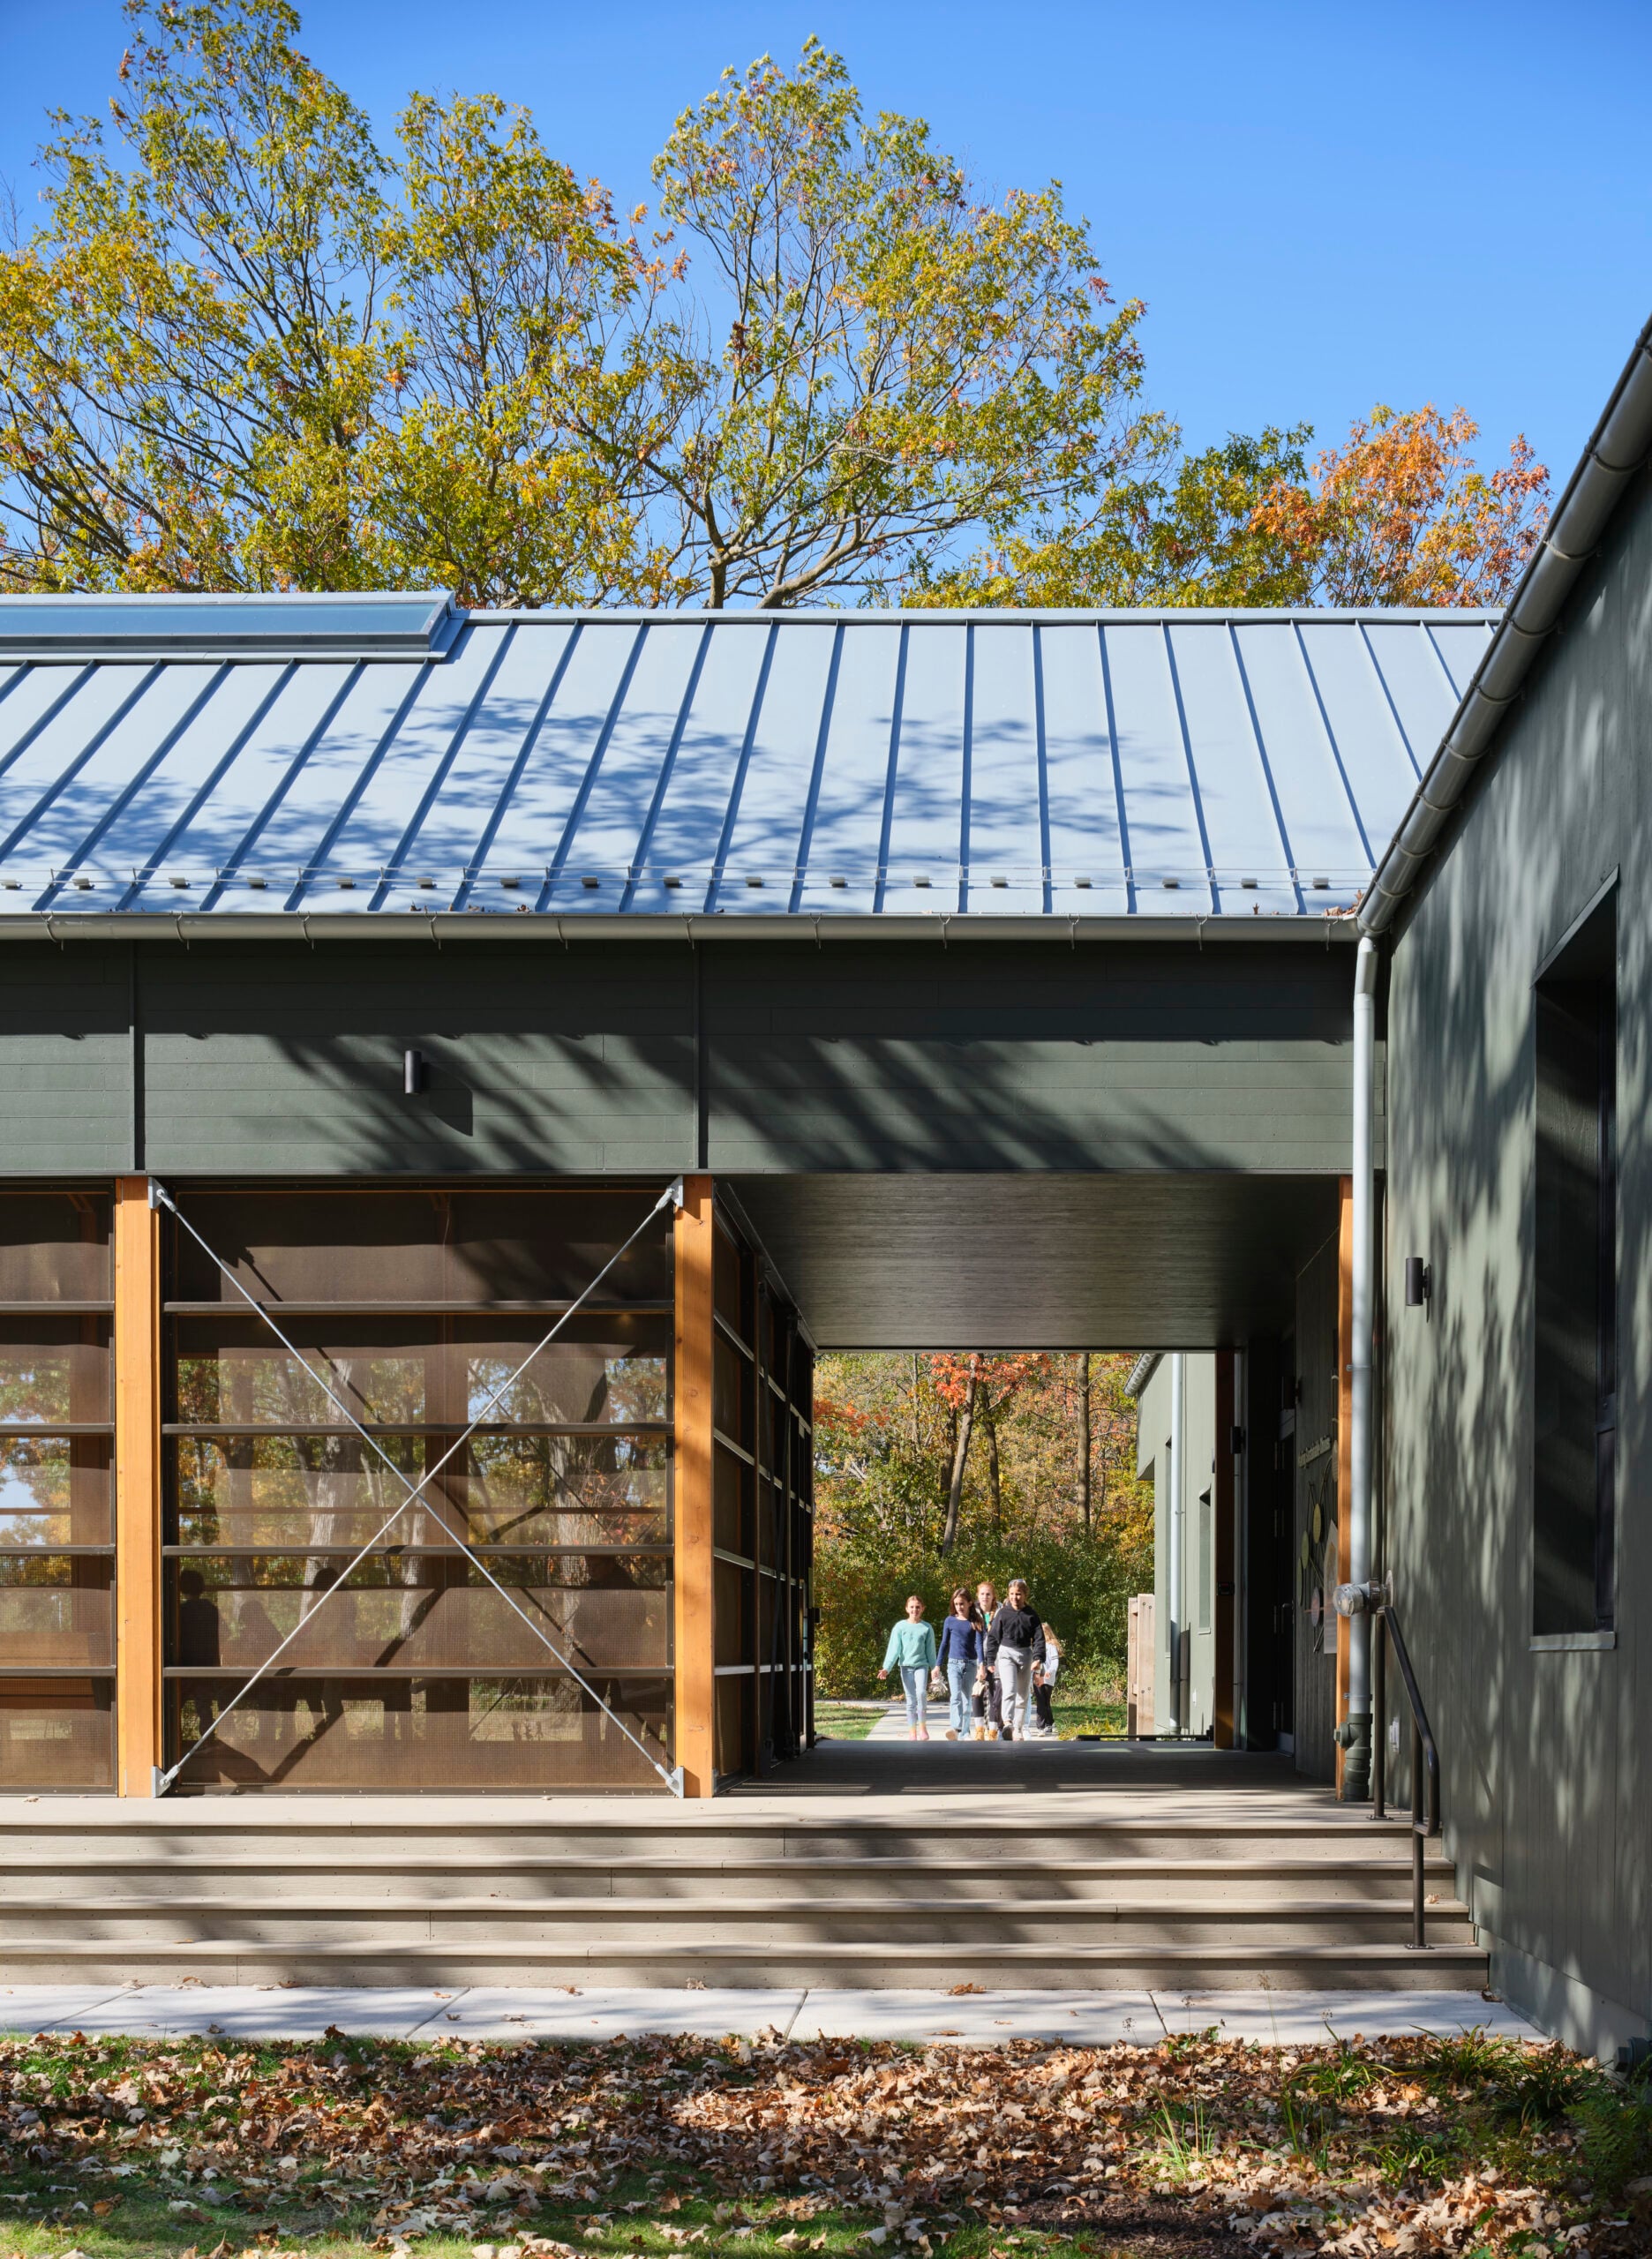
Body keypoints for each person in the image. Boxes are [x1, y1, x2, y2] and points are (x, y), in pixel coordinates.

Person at [983, 1577, 1046, 1743]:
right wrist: (990, 1660)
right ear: (1008, 1594)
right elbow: (993, 1637)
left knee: (1023, 1694)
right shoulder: (1003, 1613)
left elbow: (1039, 1638)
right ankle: (1008, 1724)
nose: (1014, 1597)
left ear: (1025, 1595)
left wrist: (1038, 1658)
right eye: (1011, 1594)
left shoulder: (1031, 1614)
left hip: (1025, 1654)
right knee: (1009, 1689)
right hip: (1006, 1654)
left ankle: (1018, 1728)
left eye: (1018, 1594)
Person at [877, 1594, 938, 1741]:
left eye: (918, 1607)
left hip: (921, 1666)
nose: (914, 1610)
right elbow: (894, 1649)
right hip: (906, 1667)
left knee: (921, 1693)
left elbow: (930, 1650)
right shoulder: (900, 1627)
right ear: (906, 1609)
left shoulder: (926, 1628)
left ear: (922, 1609)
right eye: (912, 1607)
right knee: (911, 1699)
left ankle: (923, 1728)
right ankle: (912, 1732)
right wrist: (886, 1668)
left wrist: (934, 1668)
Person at [935, 1587, 982, 1741]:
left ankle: (965, 1732)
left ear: (969, 1603)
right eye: (956, 1604)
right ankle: (955, 1729)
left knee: (967, 1699)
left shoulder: (975, 1622)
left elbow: (979, 1645)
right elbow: (944, 1644)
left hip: (970, 1664)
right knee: (955, 1697)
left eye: (962, 1603)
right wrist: (937, 1665)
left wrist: (981, 1664)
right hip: (953, 1664)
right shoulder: (950, 1621)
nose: (959, 1607)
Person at [973, 1580, 1002, 1739]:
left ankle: (993, 1730)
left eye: (988, 1594)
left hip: (995, 1657)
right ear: (978, 1596)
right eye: (982, 1594)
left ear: (993, 1596)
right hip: (976, 1656)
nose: (985, 1597)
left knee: (994, 1695)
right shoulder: (972, 1611)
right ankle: (979, 1729)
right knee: (977, 1692)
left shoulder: (1000, 1611)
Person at [1032, 1622, 1063, 1737]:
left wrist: (1049, 1672)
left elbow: (1055, 1662)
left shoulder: (1051, 1647)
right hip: (1037, 1676)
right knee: (1041, 1701)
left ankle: (1049, 1724)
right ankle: (1041, 1726)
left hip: (1048, 1678)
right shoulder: (1035, 1646)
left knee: (1045, 1701)